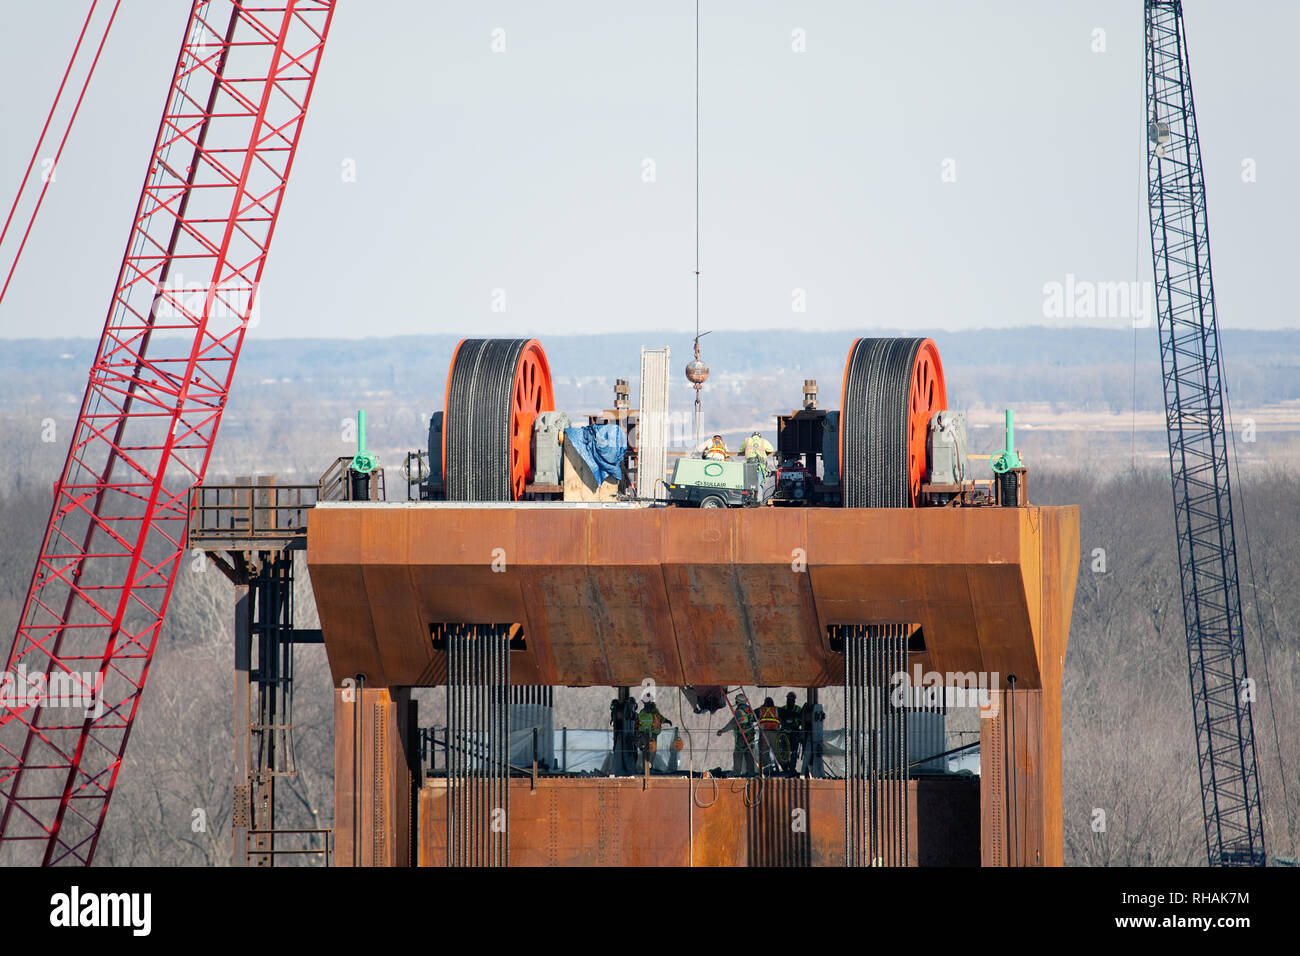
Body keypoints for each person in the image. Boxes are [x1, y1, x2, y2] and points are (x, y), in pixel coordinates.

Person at [716, 691, 758, 776]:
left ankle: (736, 772)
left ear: (737, 702)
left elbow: (733, 723)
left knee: (738, 753)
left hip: (742, 734)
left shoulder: (739, 711)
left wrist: (722, 730)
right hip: (751, 734)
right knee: (748, 753)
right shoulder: (749, 709)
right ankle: (751, 772)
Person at [635, 700, 673, 771]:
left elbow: (660, 718)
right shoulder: (643, 714)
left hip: (653, 735)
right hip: (645, 735)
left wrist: (667, 721)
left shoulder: (655, 712)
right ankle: (645, 768)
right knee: (647, 751)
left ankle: (649, 766)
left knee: (652, 751)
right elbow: (643, 723)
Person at [609, 694, 638, 775]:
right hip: (622, 736)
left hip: (628, 737)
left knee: (630, 753)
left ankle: (628, 769)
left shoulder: (633, 716)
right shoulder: (621, 722)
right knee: (622, 753)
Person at [777, 692, 803, 774]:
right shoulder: (783, 709)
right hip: (785, 734)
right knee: (783, 751)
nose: (789, 701)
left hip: (794, 733)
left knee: (794, 752)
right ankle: (785, 768)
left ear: (794, 700)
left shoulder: (798, 709)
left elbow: (802, 721)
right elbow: (779, 720)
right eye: (788, 699)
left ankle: (791, 769)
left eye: (791, 699)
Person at [799, 697, 826, 778]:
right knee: (807, 755)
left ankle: (805, 773)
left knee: (808, 755)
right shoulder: (804, 711)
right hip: (808, 736)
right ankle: (804, 773)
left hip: (810, 737)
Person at [756, 696, 781, 772]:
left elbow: (752, 715)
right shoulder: (776, 710)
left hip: (764, 733)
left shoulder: (761, 710)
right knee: (776, 751)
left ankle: (767, 768)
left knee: (764, 751)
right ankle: (777, 767)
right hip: (774, 733)